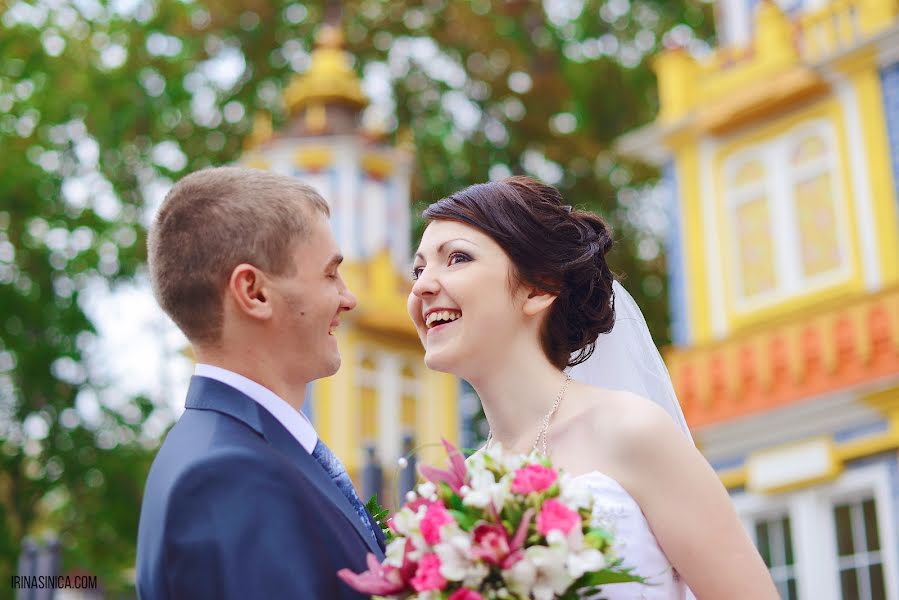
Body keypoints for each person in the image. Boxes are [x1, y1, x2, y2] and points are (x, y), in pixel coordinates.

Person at [406, 176, 778, 599]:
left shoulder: (631, 430)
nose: (421, 286)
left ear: (539, 287)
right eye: (418, 269)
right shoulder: (463, 491)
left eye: (456, 258)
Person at [136, 166, 384, 599]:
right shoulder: (228, 474)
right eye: (330, 274)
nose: (349, 297)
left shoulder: (234, 450)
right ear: (254, 292)